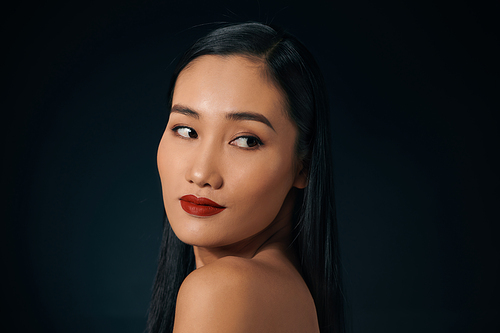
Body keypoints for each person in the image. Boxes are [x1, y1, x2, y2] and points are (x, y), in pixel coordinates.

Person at [147, 22, 346, 333]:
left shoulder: (224, 290)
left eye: (246, 141)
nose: (201, 174)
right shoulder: (285, 289)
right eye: (186, 130)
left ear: (303, 165)